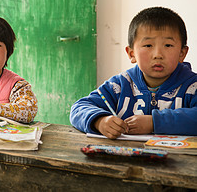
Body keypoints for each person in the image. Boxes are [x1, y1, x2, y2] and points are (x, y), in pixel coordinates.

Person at [70, 7, 197, 139]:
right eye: (148, 45)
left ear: (182, 53)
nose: (158, 55)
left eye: (168, 45)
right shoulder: (119, 85)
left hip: (178, 158)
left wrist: (154, 122)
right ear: (132, 54)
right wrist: (100, 121)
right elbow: (79, 108)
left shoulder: (192, 87)